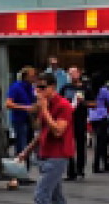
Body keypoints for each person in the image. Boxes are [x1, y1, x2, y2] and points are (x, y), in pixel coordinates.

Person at [19, 73, 74, 204]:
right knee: (56, 197)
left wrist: (44, 109)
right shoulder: (46, 105)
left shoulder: (63, 105)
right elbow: (41, 130)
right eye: (36, 87)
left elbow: (58, 131)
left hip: (57, 155)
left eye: (42, 87)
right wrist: (27, 151)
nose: (38, 90)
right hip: (45, 154)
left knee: (41, 195)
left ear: (53, 87)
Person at [60, 67, 90, 180]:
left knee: (81, 145)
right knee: (69, 145)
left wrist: (84, 102)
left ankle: (80, 170)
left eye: (74, 73)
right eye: (70, 73)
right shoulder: (65, 88)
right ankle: (71, 171)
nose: (72, 75)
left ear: (79, 73)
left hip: (80, 120)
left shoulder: (85, 88)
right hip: (68, 120)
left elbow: (94, 103)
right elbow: (59, 101)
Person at [6, 66, 39, 156]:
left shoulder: (32, 88)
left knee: (29, 146)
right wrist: (25, 107)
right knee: (22, 146)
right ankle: (20, 166)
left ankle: (26, 166)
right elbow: (8, 104)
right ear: (25, 76)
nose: (34, 78)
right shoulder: (16, 87)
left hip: (29, 120)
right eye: (32, 76)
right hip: (19, 120)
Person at [89, 76, 109, 174]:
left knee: (100, 140)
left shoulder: (90, 89)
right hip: (102, 116)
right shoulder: (104, 90)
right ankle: (97, 165)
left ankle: (105, 164)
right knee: (101, 142)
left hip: (93, 117)